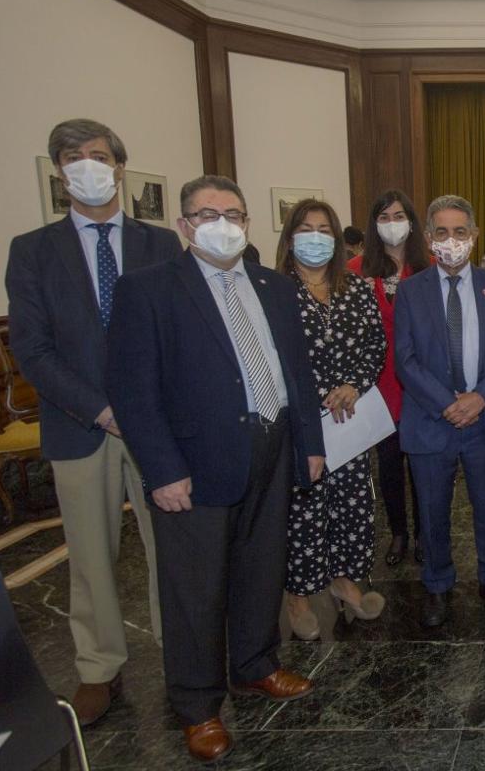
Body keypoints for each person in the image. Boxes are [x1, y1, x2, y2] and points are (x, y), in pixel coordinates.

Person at [106, 175, 326, 762]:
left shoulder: (274, 287)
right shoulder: (148, 290)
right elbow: (133, 390)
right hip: (195, 462)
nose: (222, 224)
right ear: (183, 226)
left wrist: (310, 443)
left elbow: (295, 373)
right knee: (195, 589)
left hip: (273, 446)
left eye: (233, 213)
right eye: (207, 215)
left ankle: (255, 665)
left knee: (261, 565)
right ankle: (198, 706)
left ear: (248, 223)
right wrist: (161, 470)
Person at [4, 118, 181, 726]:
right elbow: (32, 349)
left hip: (157, 423)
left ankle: (181, 650)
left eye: (98, 155)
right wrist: (104, 410)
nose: (87, 164)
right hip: (81, 424)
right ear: (60, 172)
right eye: (73, 157)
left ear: (120, 166)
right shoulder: (32, 251)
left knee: (174, 544)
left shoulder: (160, 245)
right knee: (90, 552)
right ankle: (99, 669)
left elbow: (179, 334)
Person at [393, 195, 485, 628]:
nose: (451, 240)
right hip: (432, 418)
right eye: (442, 232)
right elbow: (405, 359)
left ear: (472, 236)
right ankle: (436, 584)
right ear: (429, 237)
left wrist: (480, 397)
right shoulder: (411, 290)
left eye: (460, 231)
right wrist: (448, 403)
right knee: (432, 510)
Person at [276, 199, 388, 641]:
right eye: (306, 228)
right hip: (300, 418)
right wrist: (317, 393)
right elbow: (270, 357)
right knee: (304, 509)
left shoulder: (356, 288)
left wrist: (354, 384)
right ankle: (298, 596)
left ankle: (345, 583)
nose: (316, 237)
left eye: (325, 229)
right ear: (289, 237)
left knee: (353, 504)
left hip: (349, 418)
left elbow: (375, 345)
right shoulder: (274, 290)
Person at [348, 189, 432, 566]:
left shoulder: (430, 265)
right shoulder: (355, 270)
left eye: (399, 216)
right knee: (389, 464)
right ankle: (398, 532)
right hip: (377, 384)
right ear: (373, 224)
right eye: (384, 217)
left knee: (424, 465)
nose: (392, 224)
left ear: (411, 221)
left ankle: (425, 533)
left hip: (423, 381)